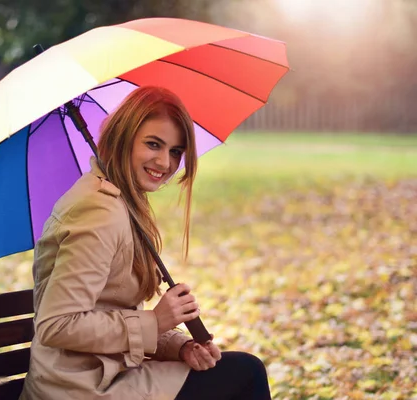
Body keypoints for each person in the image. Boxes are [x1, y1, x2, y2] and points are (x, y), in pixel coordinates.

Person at [19, 86, 271, 400]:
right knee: (245, 374)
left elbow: (114, 310)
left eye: (176, 151)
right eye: (154, 144)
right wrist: (155, 321)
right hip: (79, 389)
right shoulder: (96, 211)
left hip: (112, 376)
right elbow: (58, 325)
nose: (165, 162)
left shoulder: (121, 201)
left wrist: (179, 346)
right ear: (123, 137)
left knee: (240, 371)